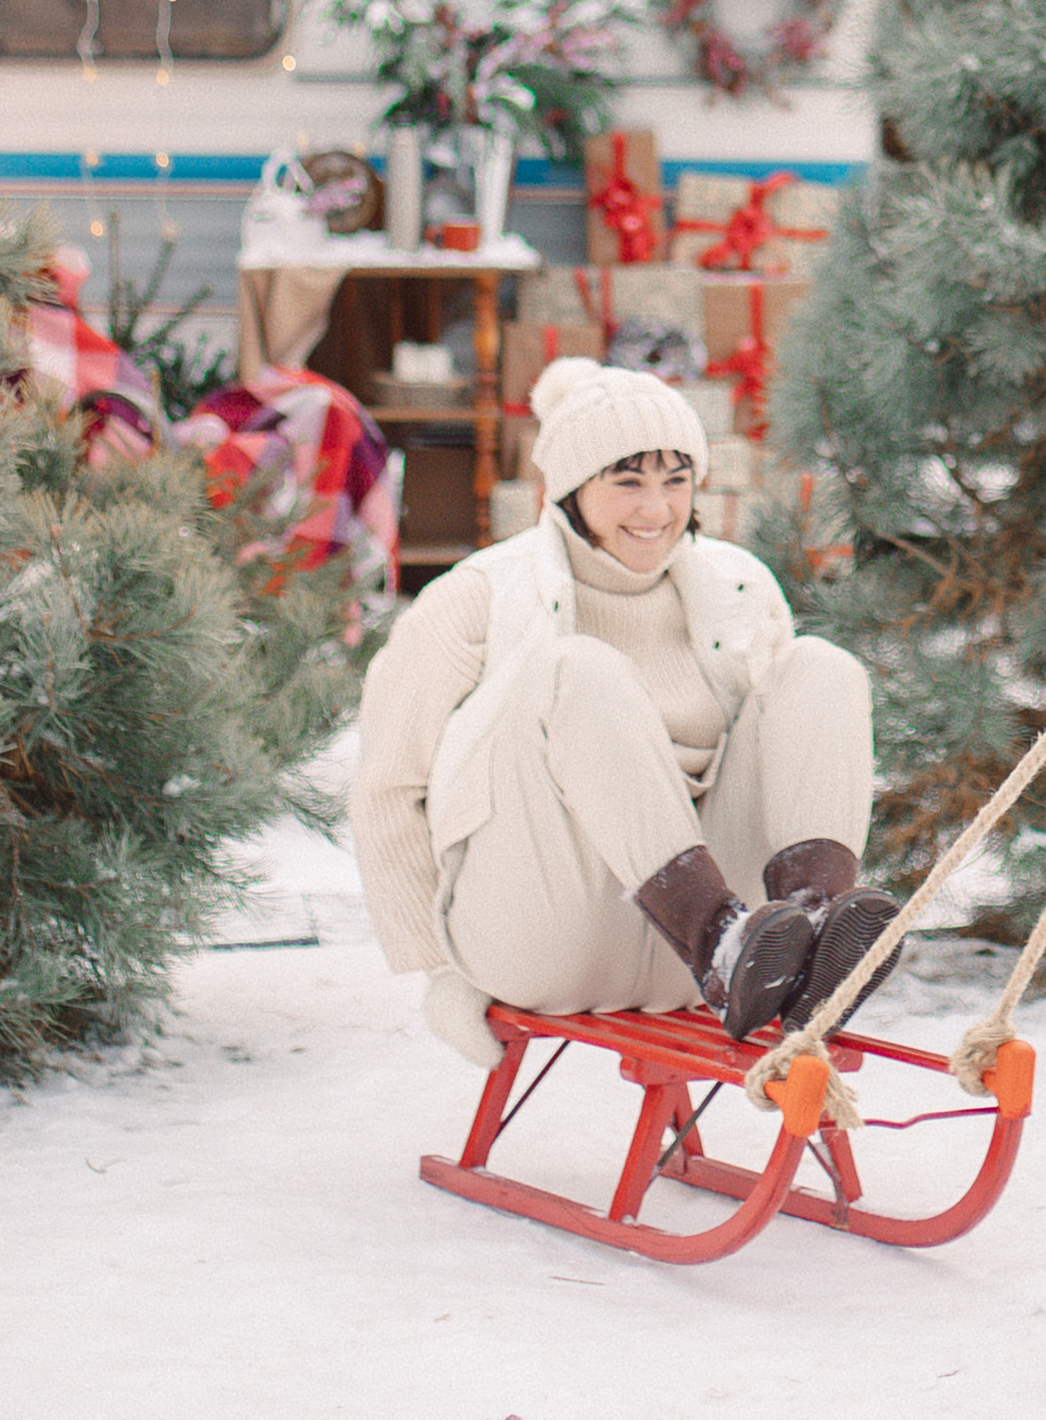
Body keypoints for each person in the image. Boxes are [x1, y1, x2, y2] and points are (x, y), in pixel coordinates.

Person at [352, 356, 897, 1062]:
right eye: (627, 481)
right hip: (547, 933)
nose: (656, 509)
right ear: (570, 489)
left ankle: (810, 935)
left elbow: (790, 763)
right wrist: (436, 971)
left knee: (821, 669)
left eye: (676, 481)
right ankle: (722, 941)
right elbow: (388, 787)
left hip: (697, 964)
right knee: (574, 670)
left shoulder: (738, 589)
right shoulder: (481, 595)